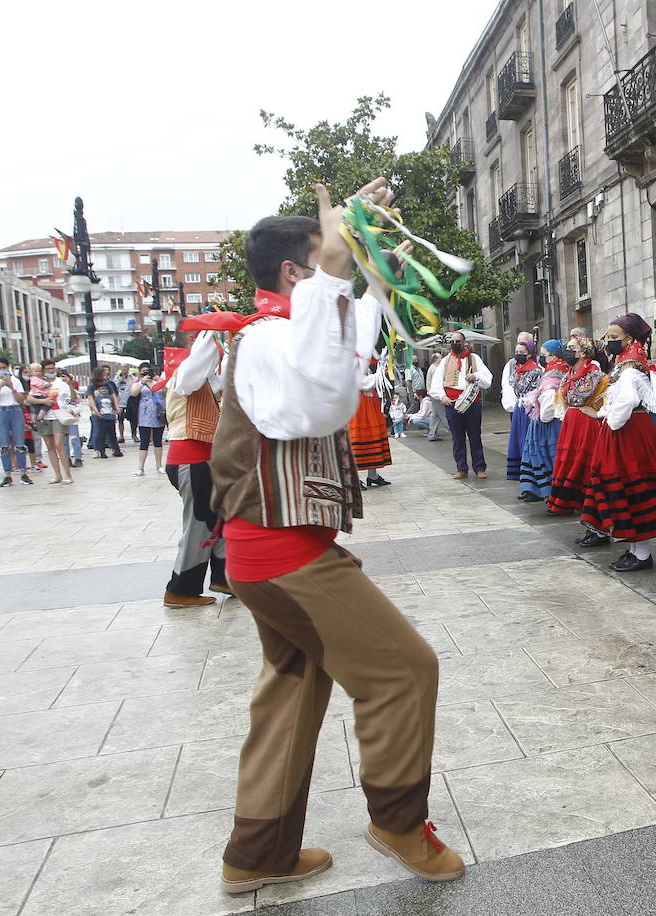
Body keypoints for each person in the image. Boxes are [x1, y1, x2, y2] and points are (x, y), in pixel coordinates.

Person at [212, 180, 463, 893]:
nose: (340, 269)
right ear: (296, 272)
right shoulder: (265, 339)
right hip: (283, 555)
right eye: (325, 260)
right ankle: (398, 824)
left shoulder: (289, 330)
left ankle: (255, 855)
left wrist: (362, 248)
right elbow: (319, 407)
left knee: (290, 694)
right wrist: (334, 275)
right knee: (404, 670)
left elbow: (349, 357)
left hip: (274, 554)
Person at [580, 313, 656, 571]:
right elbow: (616, 400)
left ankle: (642, 553)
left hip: (627, 433)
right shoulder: (627, 361)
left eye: (614, 337)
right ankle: (636, 550)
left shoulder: (630, 366)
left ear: (629, 338)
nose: (610, 342)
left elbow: (625, 402)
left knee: (633, 489)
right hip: (629, 430)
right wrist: (605, 415)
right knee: (628, 490)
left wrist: (610, 423)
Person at [163, 330, 230, 609]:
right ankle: (181, 589)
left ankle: (225, 577)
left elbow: (221, 380)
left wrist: (229, 345)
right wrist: (208, 337)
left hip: (203, 458)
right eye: (201, 340)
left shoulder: (196, 375)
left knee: (220, 518)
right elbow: (196, 371)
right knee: (199, 525)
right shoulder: (182, 371)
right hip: (190, 459)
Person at [546, 335, 609, 517]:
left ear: (582, 352)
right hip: (571, 423)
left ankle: (586, 504)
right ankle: (564, 502)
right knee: (567, 461)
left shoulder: (595, 375)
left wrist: (598, 413)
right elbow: (562, 401)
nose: (567, 351)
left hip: (586, 424)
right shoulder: (568, 375)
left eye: (572, 348)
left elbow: (607, 397)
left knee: (584, 463)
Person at [428, 330, 492, 479]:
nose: (455, 344)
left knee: (475, 435)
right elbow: (436, 383)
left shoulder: (474, 358)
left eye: (458, 341)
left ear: (464, 343)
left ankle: (480, 468)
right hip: (452, 403)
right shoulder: (445, 361)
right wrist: (442, 396)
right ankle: (461, 468)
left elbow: (488, 378)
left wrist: (475, 376)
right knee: (457, 437)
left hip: (472, 402)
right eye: (452, 341)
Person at [518, 339, 567, 503]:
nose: (542, 358)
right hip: (544, 421)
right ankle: (534, 489)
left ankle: (549, 493)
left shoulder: (553, 376)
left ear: (553, 356)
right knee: (539, 456)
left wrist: (541, 416)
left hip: (547, 424)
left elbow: (548, 407)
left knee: (545, 455)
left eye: (544, 355)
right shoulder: (556, 371)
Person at [0, 356, 32, 486]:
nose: (2, 370)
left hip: (15, 410)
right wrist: (0, 386)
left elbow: (21, 400)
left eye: (4, 368)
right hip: (0, 411)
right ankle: (7, 474)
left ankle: (23, 472)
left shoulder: (15, 381)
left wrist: (12, 387)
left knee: (19, 443)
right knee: (4, 444)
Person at [24, 364, 74, 485]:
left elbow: (72, 398)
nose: (49, 371)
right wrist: (43, 401)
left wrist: (70, 384)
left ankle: (68, 474)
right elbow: (29, 398)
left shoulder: (60, 383)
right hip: (45, 417)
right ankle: (58, 475)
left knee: (59, 444)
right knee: (50, 446)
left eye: (52, 368)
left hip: (58, 415)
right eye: (46, 369)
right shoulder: (38, 382)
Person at [501, 336, 542, 481]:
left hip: (529, 409)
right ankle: (519, 472)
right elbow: (512, 385)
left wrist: (517, 378)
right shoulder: (517, 369)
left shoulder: (535, 371)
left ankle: (530, 474)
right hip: (519, 408)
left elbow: (526, 389)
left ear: (529, 354)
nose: (518, 355)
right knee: (517, 439)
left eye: (522, 352)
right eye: (516, 352)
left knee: (527, 439)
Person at [350, 363, 393, 489]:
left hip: (369, 404)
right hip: (358, 407)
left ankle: (372, 476)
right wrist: (380, 374)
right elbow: (362, 382)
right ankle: (354, 478)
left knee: (372, 439)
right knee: (357, 440)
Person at [44, 358, 83, 468]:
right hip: (54, 416)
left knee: (74, 438)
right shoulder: (44, 384)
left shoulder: (65, 386)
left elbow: (75, 401)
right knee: (61, 442)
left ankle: (78, 457)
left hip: (69, 417)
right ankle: (67, 459)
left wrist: (69, 384)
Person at [132, 367, 167, 476]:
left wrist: (159, 381)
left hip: (158, 413)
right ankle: (140, 467)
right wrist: (142, 382)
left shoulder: (158, 382)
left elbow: (167, 391)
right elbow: (133, 393)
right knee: (144, 440)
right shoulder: (139, 383)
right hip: (145, 414)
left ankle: (159, 465)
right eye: (144, 372)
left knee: (158, 440)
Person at [88, 367, 122, 459]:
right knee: (99, 432)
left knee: (112, 432)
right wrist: (95, 410)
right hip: (98, 411)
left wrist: (116, 407)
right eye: (103, 373)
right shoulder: (92, 385)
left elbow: (114, 395)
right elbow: (90, 398)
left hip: (109, 411)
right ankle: (99, 450)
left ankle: (115, 449)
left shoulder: (108, 384)